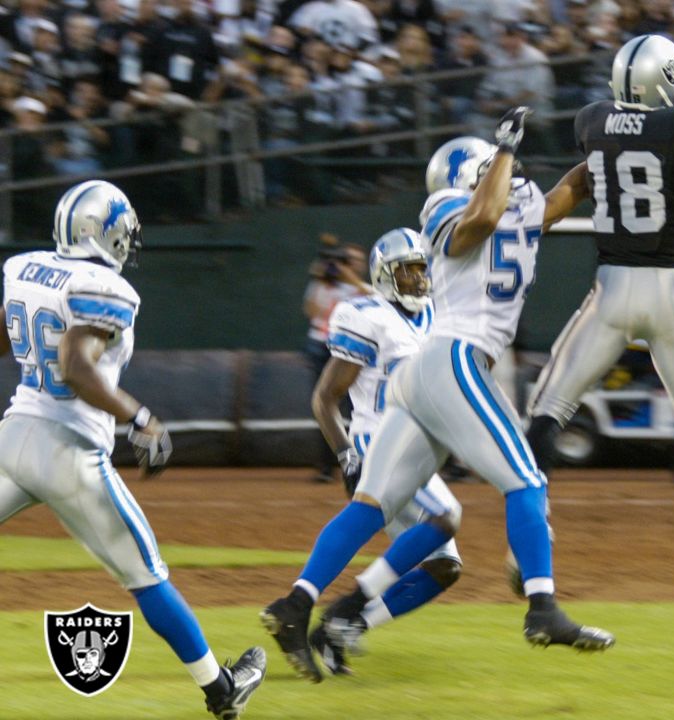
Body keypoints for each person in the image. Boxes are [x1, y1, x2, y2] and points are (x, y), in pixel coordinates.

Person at [261, 112, 613, 683]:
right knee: (526, 481)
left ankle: (300, 606)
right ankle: (543, 608)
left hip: (428, 372)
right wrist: (502, 152)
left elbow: (566, 193)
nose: (514, 173)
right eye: (502, 167)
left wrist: (605, 148)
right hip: (453, 358)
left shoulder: (510, 205)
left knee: (373, 506)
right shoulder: (445, 208)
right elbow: (480, 218)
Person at [0, 180, 266, 719]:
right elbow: (77, 369)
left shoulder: (22, 267)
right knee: (147, 575)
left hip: (12, 436)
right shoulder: (104, 286)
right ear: (106, 232)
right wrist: (139, 417)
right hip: (68, 450)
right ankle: (221, 687)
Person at [525, 34, 674, 610]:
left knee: (548, 409)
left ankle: (529, 530)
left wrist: (527, 221)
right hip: (672, 290)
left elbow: (581, 184)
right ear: (666, 80)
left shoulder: (594, 122)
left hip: (611, 289)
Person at [305, 227, 462, 676]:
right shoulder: (367, 315)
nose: (418, 279)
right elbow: (324, 398)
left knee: (445, 568)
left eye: (422, 269)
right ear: (384, 275)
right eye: (408, 270)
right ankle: (344, 608)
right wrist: (346, 456)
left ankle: (344, 625)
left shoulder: (436, 316)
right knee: (445, 517)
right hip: (378, 441)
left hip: (418, 449)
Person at [302, 234, 369, 482]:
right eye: (345, 260)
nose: (346, 264)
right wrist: (320, 280)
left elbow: (370, 296)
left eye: (351, 261)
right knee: (323, 404)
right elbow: (310, 311)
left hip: (347, 349)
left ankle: (358, 463)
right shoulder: (323, 283)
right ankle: (327, 467)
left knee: (354, 409)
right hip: (320, 345)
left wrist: (348, 278)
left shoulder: (359, 288)